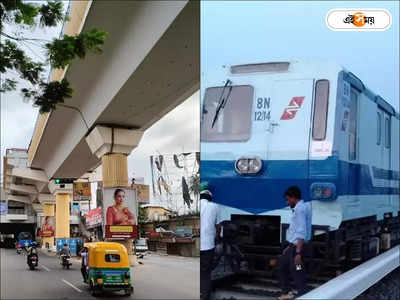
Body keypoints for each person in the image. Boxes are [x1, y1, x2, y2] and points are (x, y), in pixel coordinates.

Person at [278, 186, 312, 300]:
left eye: (288, 200)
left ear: (294, 198)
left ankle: (302, 293)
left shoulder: (300, 209)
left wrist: (298, 253)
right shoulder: (301, 207)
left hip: (298, 248)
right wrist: (290, 246)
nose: (288, 202)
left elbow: (301, 231)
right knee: (282, 265)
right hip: (292, 246)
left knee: (297, 269)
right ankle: (288, 292)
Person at [200, 189, 220, 300]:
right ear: (210, 198)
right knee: (205, 272)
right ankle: (205, 296)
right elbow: (218, 226)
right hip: (208, 245)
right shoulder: (215, 206)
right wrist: (218, 236)